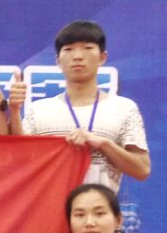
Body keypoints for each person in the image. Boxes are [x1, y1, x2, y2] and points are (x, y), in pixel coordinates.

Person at [9, 20, 150, 193]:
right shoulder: (39, 110)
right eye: (68, 49)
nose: (77, 56)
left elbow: (142, 169)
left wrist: (104, 144)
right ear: (58, 61)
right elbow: (20, 160)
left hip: (100, 208)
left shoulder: (123, 108)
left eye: (87, 48)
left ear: (102, 57)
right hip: (48, 208)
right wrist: (14, 111)